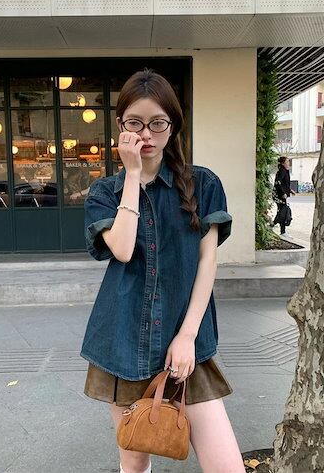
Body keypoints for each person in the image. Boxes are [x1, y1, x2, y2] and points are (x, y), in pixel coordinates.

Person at [80, 69, 244, 473]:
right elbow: (121, 250)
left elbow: (207, 262)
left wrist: (187, 336)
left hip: (186, 343)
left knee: (227, 466)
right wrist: (133, 174)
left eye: (158, 123)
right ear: (120, 126)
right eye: (135, 123)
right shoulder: (105, 192)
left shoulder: (203, 184)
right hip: (123, 343)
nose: (146, 134)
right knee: (135, 461)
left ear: (173, 126)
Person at [272, 156, 296, 235]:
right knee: (283, 212)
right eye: (287, 161)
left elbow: (284, 184)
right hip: (279, 195)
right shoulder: (282, 171)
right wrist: (283, 193)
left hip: (280, 195)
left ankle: (277, 227)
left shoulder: (284, 171)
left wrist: (290, 191)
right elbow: (278, 183)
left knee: (282, 211)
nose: (288, 163)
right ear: (283, 163)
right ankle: (278, 228)